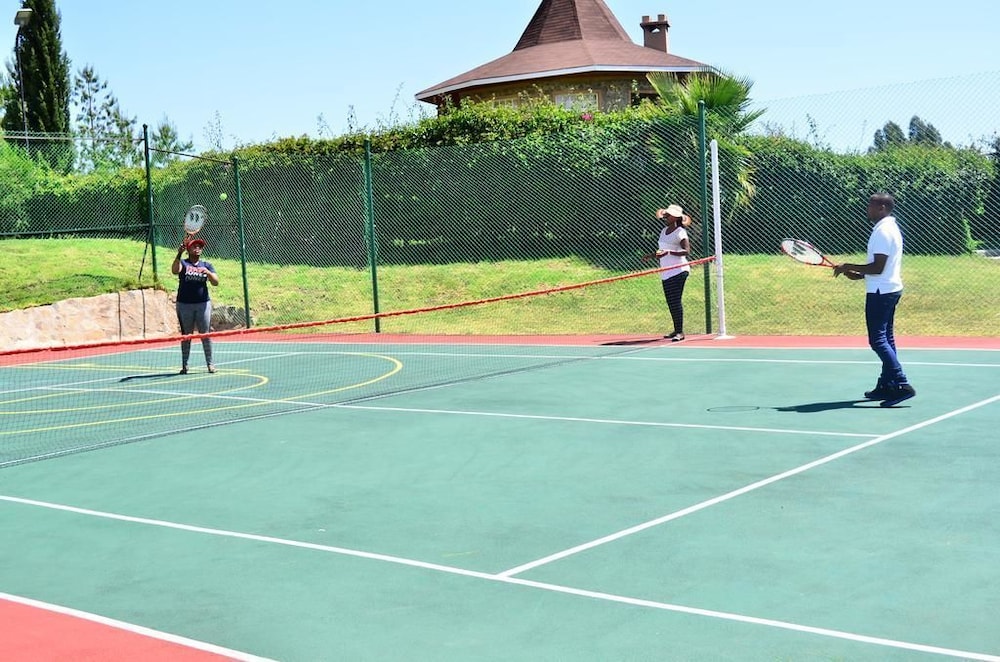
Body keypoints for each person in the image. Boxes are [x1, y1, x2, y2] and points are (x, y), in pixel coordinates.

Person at [832, 193, 915, 406]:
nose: (867, 209)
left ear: (882, 208)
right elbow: (881, 267)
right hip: (888, 289)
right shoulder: (888, 228)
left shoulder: (883, 231)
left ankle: (902, 383)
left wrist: (847, 266)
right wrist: (859, 274)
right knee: (886, 338)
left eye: (871, 205)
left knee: (877, 340)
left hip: (881, 293)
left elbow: (878, 267)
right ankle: (887, 384)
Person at [642, 204, 692, 341]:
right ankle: (676, 329)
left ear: (675, 217)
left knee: (675, 300)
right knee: (670, 301)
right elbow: (662, 250)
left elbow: (686, 251)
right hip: (666, 272)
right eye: (666, 215)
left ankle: (680, 333)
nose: (666, 217)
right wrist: (651, 256)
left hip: (679, 271)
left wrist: (670, 252)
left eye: (668, 215)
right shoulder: (664, 231)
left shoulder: (680, 232)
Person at [172, 237, 219, 374]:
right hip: (184, 304)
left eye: (200, 246)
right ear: (188, 249)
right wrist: (179, 253)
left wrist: (208, 273)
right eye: (194, 246)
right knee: (186, 335)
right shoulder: (183, 263)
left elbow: (216, 282)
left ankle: (210, 364)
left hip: (203, 304)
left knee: (205, 334)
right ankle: (185, 365)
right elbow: (175, 270)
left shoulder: (207, 265)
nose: (197, 248)